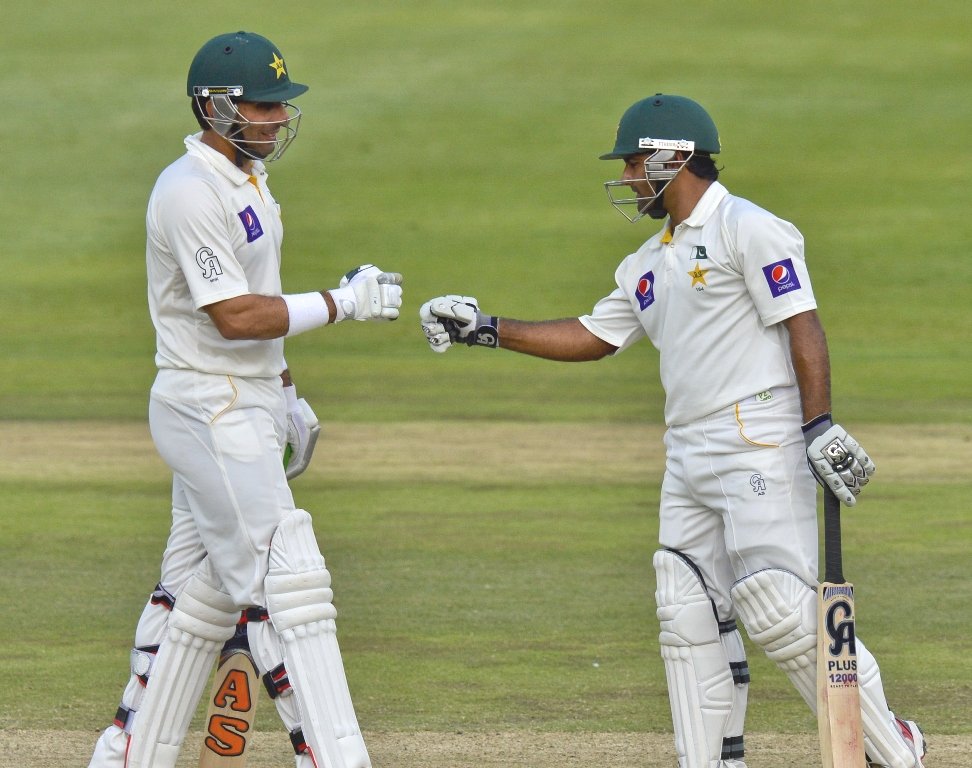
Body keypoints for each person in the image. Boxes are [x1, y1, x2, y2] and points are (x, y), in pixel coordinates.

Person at [418, 94, 926, 768]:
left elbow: (802, 323)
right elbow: (594, 336)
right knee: (682, 610)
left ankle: (895, 752)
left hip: (758, 438)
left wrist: (819, 423)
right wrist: (487, 328)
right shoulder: (646, 264)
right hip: (685, 453)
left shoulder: (751, 228)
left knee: (780, 609)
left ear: (673, 157)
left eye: (634, 163)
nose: (628, 179)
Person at [88, 31, 402, 768]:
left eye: (279, 106)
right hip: (210, 408)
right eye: (262, 107)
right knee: (286, 585)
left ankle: (127, 751)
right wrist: (344, 302)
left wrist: (285, 390)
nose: (276, 119)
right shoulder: (189, 192)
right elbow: (233, 316)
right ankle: (332, 755)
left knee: (193, 594)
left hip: (244, 401)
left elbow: (257, 310)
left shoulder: (248, 181)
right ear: (215, 106)